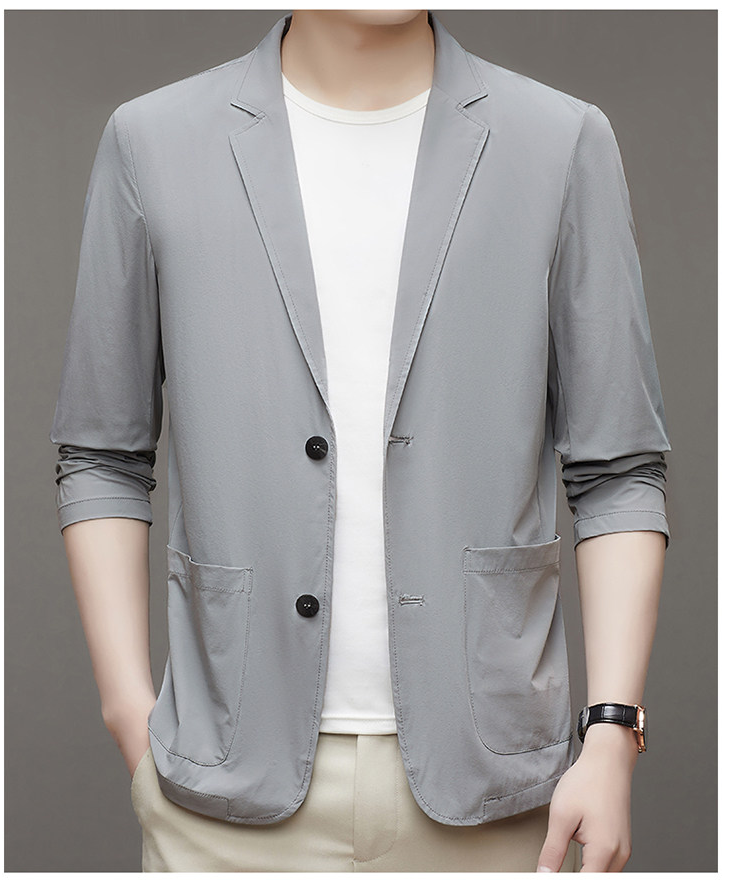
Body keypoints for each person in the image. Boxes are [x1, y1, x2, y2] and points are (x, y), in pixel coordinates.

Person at [49, 9, 671, 873]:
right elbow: (102, 456)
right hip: (222, 789)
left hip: (497, 788)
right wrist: (130, 712)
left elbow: (619, 471)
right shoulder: (152, 141)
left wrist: (610, 734)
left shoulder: (560, 142)